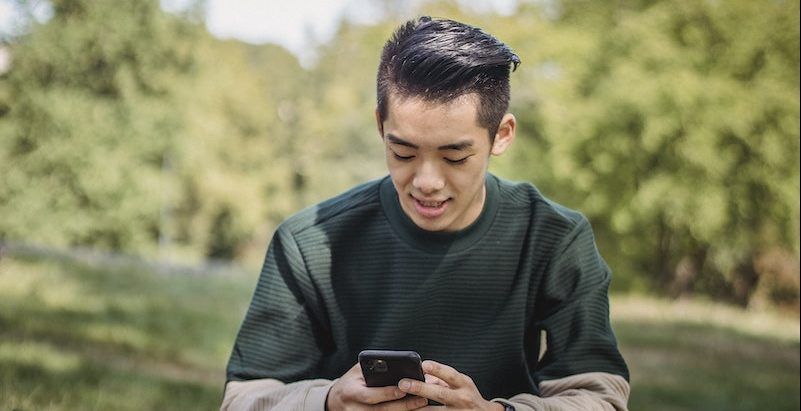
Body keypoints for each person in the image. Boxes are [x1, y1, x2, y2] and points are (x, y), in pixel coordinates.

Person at [221, 16, 630, 411]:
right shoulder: (308, 242)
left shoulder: (554, 238)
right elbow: (245, 397)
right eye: (403, 153)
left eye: (455, 156)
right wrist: (328, 402)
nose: (426, 181)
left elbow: (601, 396)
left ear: (501, 135)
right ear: (381, 125)